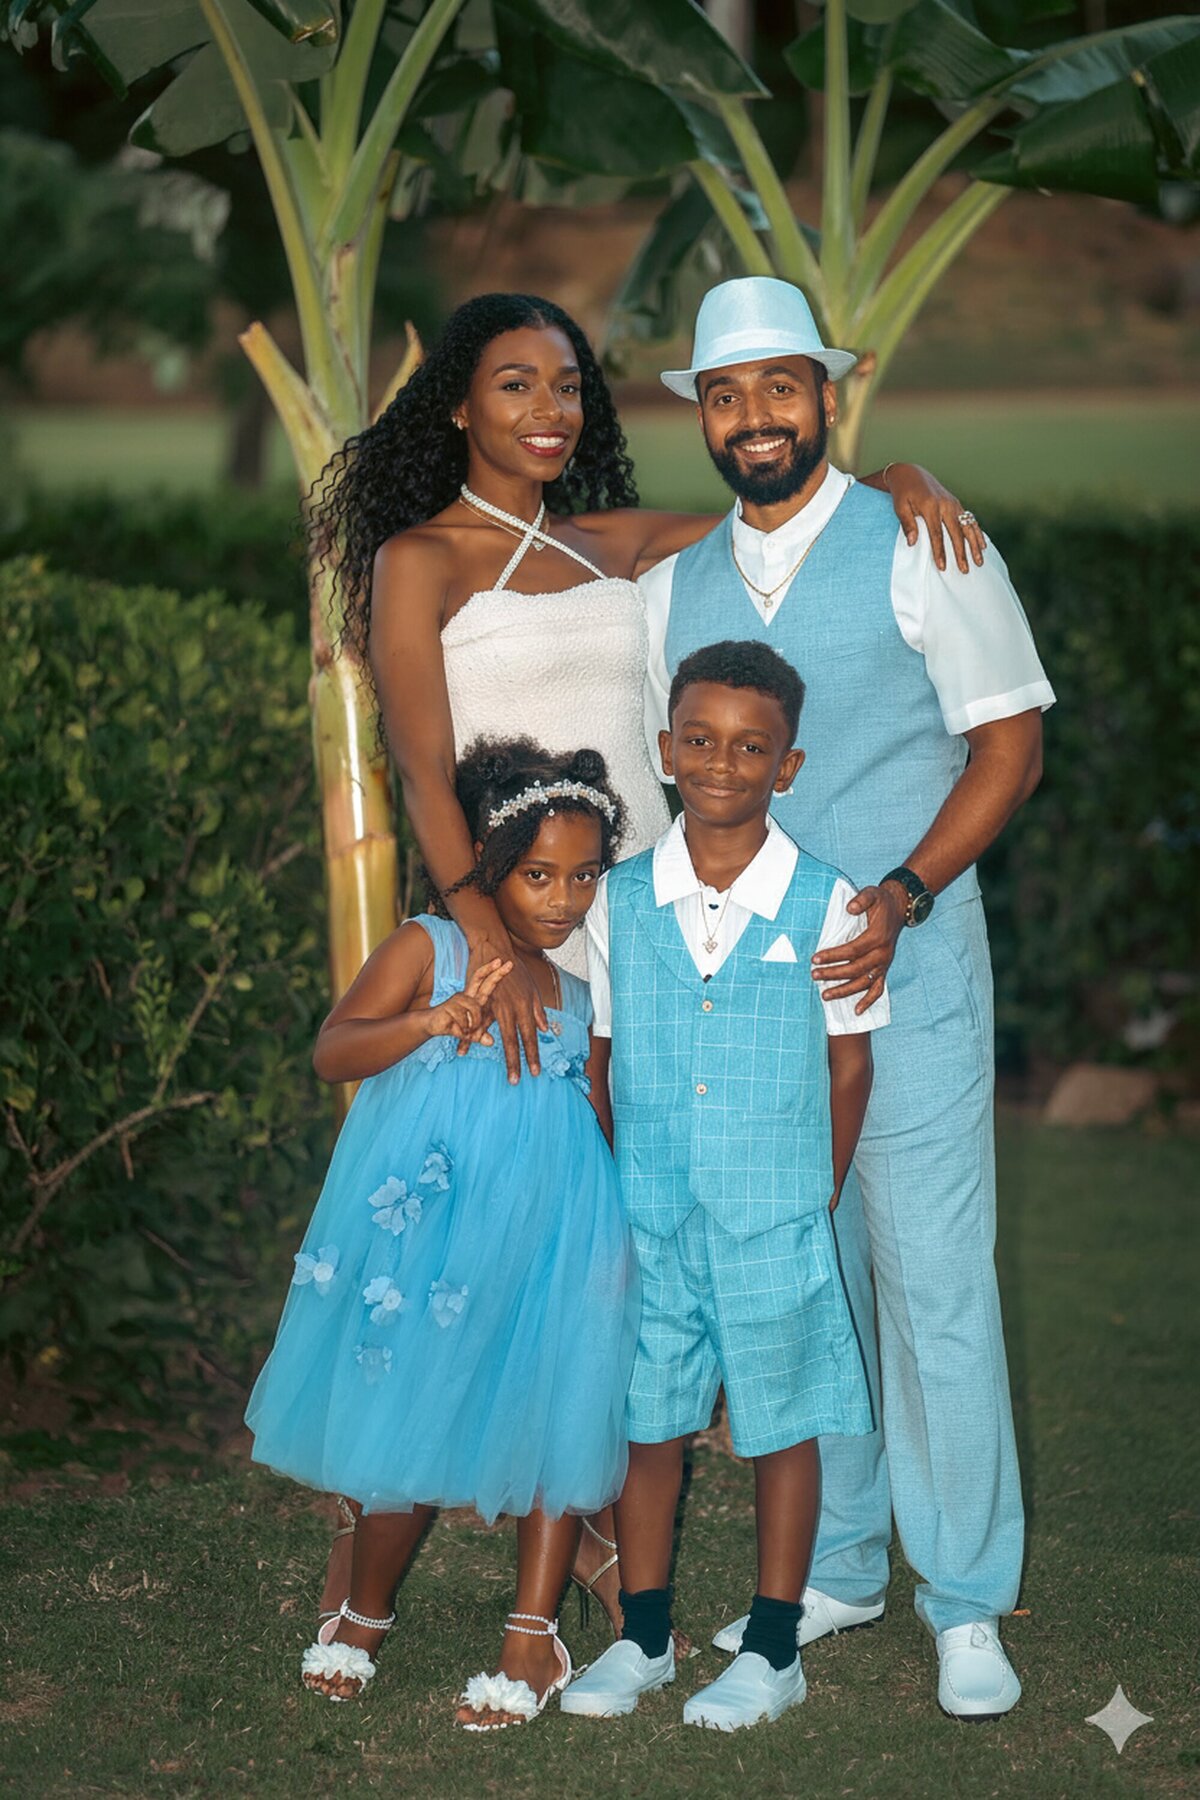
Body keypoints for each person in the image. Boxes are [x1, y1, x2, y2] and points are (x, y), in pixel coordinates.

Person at [308, 288, 986, 1627]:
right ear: (459, 404)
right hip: (519, 937)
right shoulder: (418, 559)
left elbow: (791, 516)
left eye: (569, 386)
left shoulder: (617, 540)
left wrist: (899, 482)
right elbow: (423, 768)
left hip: (653, 940)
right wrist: (488, 937)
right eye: (516, 384)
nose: (550, 410)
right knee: (489, 1246)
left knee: (617, 1253)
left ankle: (597, 1535)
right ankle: (380, 1537)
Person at [642, 276, 1055, 1719]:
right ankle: (843, 1563)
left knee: (933, 1283)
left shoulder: (924, 543)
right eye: (725, 394)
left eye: (780, 386)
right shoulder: (676, 588)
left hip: (912, 970)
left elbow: (1010, 746)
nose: (755, 417)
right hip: (753, 1011)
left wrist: (905, 895)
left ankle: (967, 1600)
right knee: (799, 1283)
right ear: (703, 416)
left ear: (828, 395)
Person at [245, 740, 638, 1727]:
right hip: (440, 1243)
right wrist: (425, 1024)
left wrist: (619, 1243)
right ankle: (365, 1608)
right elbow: (335, 1051)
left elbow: (596, 1115)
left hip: (558, 1233)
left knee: (554, 1407)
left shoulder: (580, 995)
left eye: (585, 875)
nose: (564, 899)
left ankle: (533, 1634)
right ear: (487, 866)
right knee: (410, 1407)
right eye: (538, 874)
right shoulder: (431, 947)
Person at [562, 640, 888, 1731]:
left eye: (752, 748)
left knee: (781, 1423)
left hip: (774, 1214)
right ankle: (644, 1637)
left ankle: (775, 1646)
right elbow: (602, 1054)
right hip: (650, 1212)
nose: (721, 764)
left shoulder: (829, 903)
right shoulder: (619, 900)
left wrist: (815, 1191)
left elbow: (850, 1063)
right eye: (699, 740)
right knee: (647, 1423)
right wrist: (616, 1184)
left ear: (786, 767)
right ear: (664, 750)